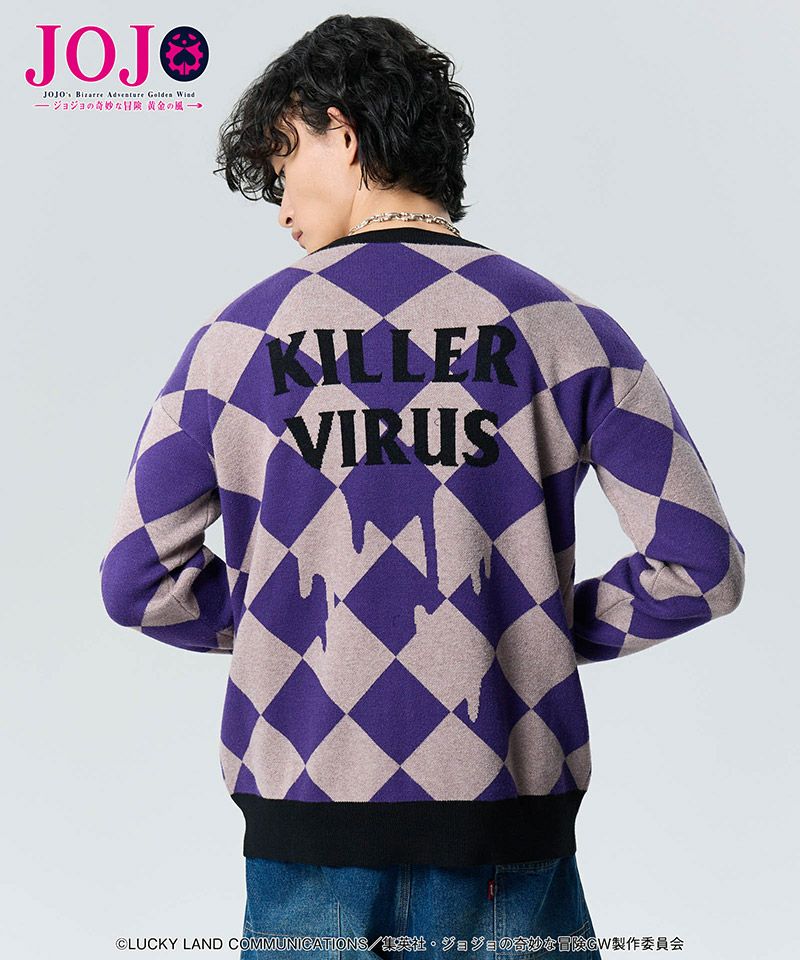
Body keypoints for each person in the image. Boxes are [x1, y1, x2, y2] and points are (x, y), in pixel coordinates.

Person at [99, 14, 746, 960]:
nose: (280, 206)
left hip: (304, 833)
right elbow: (701, 566)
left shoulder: (233, 344)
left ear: (342, 133)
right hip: (509, 835)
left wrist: (296, 622)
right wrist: (527, 626)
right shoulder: (564, 328)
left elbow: (136, 581)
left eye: (284, 158)